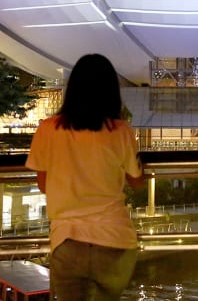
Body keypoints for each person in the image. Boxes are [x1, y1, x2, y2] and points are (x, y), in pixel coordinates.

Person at [26, 53, 144, 301]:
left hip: (67, 240)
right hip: (116, 240)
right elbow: (136, 180)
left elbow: (43, 184)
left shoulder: (47, 129)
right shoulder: (121, 131)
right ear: (111, 91)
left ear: (72, 90)